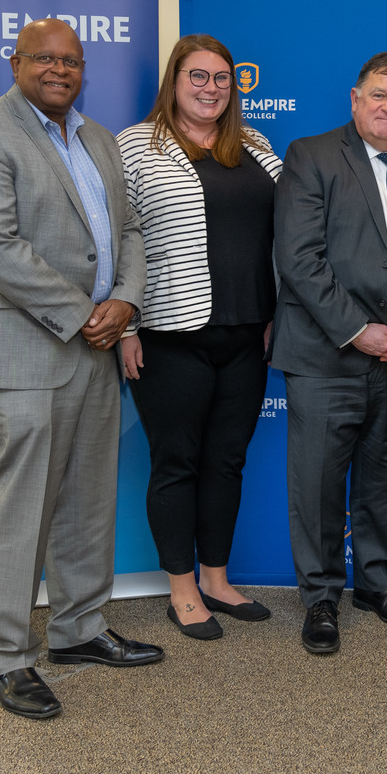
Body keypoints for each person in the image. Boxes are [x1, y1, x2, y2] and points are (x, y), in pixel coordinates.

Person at [0, 18, 159, 720]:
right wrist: (83, 313)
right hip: (20, 350)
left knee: (88, 498)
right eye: (45, 58)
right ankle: (7, 657)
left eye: (72, 60)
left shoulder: (97, 139)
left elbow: (128, 230)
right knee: (22, 508)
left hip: (93, 344)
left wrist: (124, 300)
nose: (60, 69)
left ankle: (79, 629)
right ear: (16, 62)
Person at [272, 51, 387, 655]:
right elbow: (299, 259)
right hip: (330, 357)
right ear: (355, 99)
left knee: (385, 480)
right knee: (318, 485)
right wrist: (358, 330)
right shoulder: (312, 155)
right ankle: (321, 596)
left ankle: (376, 585)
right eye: (378, 95)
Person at [116, 35, 284, 641]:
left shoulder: (258, 146)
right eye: (198, 76)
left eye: (221, 77)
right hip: (168, 334)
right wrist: (127, 326)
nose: (210, 87)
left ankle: (216, 577)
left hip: (248, 332)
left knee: (227, 462)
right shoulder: (135, 147)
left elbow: (288, 229)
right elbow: (118, 238)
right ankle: (181, 589)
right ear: (174, 80)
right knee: (177, 463)